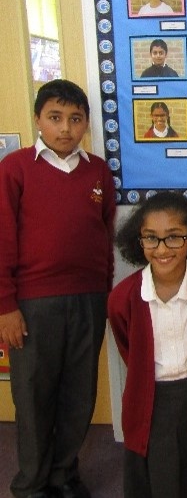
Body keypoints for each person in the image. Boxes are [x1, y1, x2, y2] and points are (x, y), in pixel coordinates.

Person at [0, 79, 116, 498]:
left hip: (88, 300)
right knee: (33, 399)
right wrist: (5, 306)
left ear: (85, 124)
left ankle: (63, 474)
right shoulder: (15, 168)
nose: (65, 128)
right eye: (55, 118)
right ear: (38, 120)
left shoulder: (97, 171)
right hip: (32, 305)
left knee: (78, 394)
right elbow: (2, 238)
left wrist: (103, 292)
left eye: (75, 119)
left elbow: (104, 232)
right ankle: (30, 483)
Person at [108, 191, 187, 498]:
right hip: (153, 401)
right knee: (162, 478)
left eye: (173, 237)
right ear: (138, 240)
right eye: (150, 238)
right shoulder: (123, 298)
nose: (161, 249)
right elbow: (130, 349)